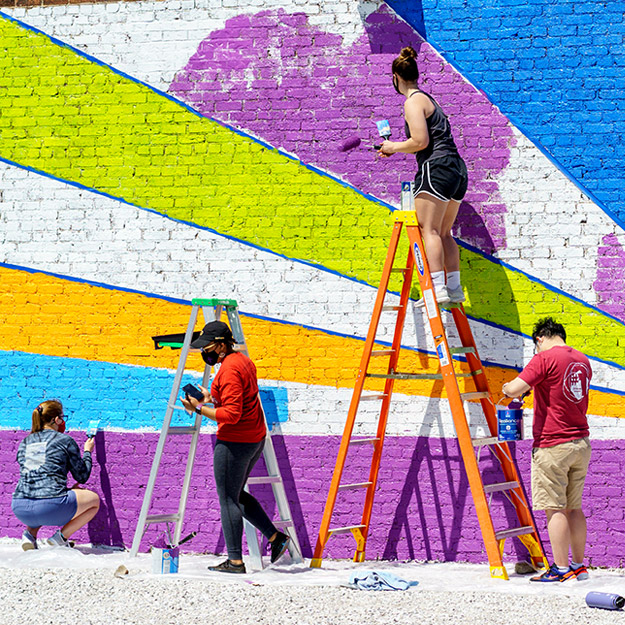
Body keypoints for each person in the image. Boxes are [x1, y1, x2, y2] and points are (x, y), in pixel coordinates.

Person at [180, 320, 290, 573]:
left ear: (220, 345)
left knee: (228, 498)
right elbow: (238, 398)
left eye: (207, 347)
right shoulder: (242, 361)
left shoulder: (228, 370)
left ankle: (235, 561)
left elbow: (230, 415)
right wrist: (211, 399)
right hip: (254, 438)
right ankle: (276, 538)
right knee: (236, 494)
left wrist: (197, 408)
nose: (204, 353)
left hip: (235, 441)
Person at [502, 317, 592, 582]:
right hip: (581, 443)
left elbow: (513, 389)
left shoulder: (543, 359)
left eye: (535, 345)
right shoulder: (582, 360)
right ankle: (578, 566)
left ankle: (561, 569)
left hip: (553, 444)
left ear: (540, 338)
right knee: (574, 507)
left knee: (555, 509)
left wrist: (508, 388)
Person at [379, 46, 468, 306]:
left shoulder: (412, 102)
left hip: (436, 167)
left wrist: (393, 147)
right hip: (456, 170)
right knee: (444, 233)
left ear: (396, 77)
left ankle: (437, 289)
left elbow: (419, 140)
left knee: (428, 230)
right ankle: (453, 289)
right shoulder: (429, 99)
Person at [12, 400, 100, 550]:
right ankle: (60, 538)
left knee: (39, 496)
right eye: (62, 416)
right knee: (95, 501)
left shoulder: (25, 441)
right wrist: (87, 452)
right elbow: (82, 477)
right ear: (55, 419)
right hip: (50, 508)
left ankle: (29, 535)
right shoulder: (65, 440)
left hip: (20, 507)